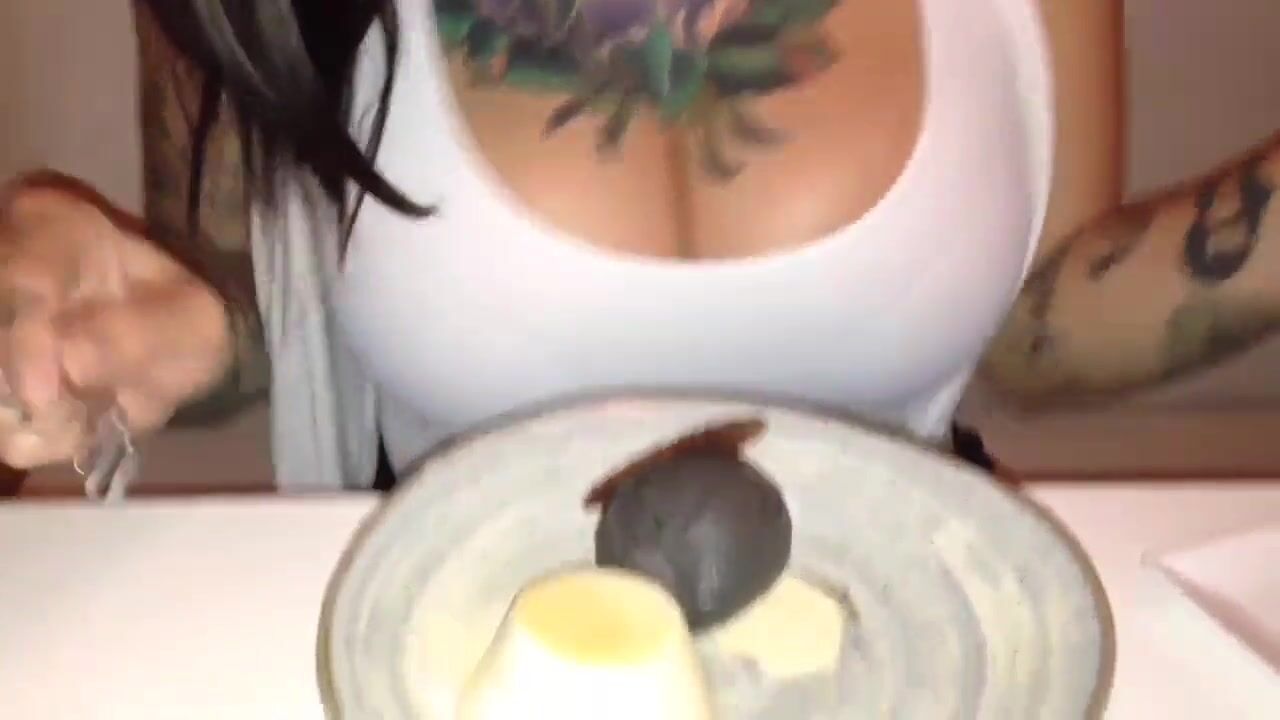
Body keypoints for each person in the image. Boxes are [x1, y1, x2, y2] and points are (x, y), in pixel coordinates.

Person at [0, 1, 1273, 490]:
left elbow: (1038, 323)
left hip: (906, 631)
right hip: (457, 645)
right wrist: (126, 334)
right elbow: (250, 311)